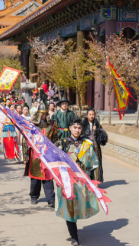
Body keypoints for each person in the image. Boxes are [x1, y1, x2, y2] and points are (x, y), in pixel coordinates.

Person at [54, 117, 100, 246]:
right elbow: (55, 163)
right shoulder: (62, 143)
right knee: (70, 209)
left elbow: (93, 163)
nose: (77, 130)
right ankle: (74, 236)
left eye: (79, 128)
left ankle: (74, 231)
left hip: (81, 181)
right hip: (67, 181)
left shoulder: (87, 144)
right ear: (70, 129)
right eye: (75, 127)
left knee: (79, 206)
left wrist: (92, 180)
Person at [25, 96, 56, 207]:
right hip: (36, 156)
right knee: (35, 179)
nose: (44, 115)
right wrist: (26, 155)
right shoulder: (33, 126)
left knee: (48, 178)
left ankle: (51, 200)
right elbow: (27, 140)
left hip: (47, 156)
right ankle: (34, 196)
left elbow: (55, 139)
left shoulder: (51, 126)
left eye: (45, 113)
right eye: (42, 113)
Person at [82, 108, 107, 182]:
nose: (91, 116)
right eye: (90, 114)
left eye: (93, 114)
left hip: (95, 147)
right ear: (87, 115)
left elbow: (103, 137)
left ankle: (96, 180)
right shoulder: (83, 125)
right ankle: (87, 180)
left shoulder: (97, 124)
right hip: (86, 147)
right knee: (87, 164)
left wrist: (97, 131)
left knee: (96, 164)